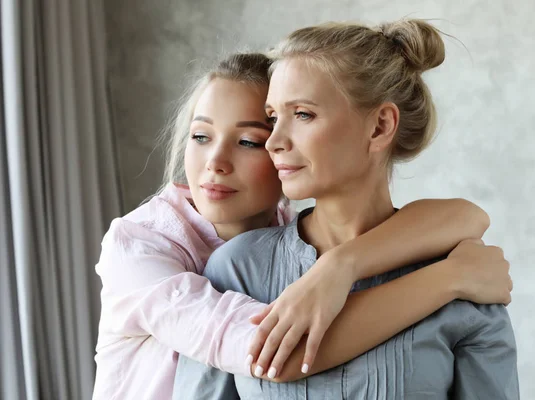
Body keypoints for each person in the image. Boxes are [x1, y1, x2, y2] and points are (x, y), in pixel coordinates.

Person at [93, 51, 512, 400]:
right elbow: (273, 355)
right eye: (200, 136)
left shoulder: (287, 227)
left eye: (249, 141)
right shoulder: (141, 246)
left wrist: (340, 265)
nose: (214, 163)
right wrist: (450, 280)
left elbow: (467, 216)